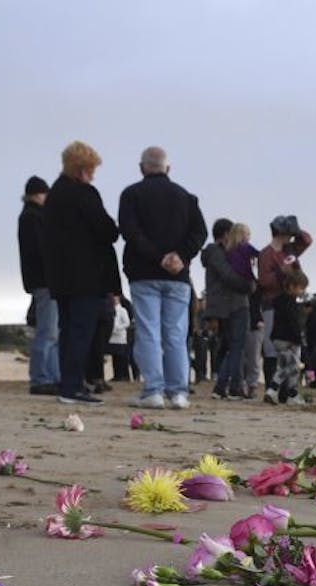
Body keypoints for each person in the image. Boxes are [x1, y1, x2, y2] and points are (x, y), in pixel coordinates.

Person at [117, 146, 206, 410]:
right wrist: (180, 256)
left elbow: (130, 232)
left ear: (142, 167)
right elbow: (199, 232)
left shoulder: (131, 195)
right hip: (178, 277)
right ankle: (178, 392)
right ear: (168, 168)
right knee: (176, 335)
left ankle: (153, 390)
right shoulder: (186, 198)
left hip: (144, 273)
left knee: (149, 331)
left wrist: (158, 257)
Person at [44, 140, 120, 406]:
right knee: (81, 333)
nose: (94, 174)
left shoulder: (54, 195)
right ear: (83, 169)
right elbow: (107, 231)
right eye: (92, 169)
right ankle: (73, 387)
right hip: (86, 277)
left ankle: (68, 383)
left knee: (68, 331)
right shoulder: (85, 194)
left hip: (61, 277)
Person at [256, 215, 311, 400]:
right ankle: (273, 391)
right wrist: (280, 273)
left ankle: (287, 392)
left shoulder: (290, 251)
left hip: (289, 302)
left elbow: (306, 240)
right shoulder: (266, 254)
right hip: (273, 303)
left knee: (291, 355)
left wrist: (296, 229)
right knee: (273, 351)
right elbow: (264, 281)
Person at [200, 217, 253, 400]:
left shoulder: (217, 253)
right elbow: (228, 276)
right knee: (236, 347)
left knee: (231, 347)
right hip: (233, 304)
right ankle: (231, 387)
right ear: (225, 235)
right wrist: (250, 284)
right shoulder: (218, 253)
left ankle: (224, 386)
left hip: (226, 306)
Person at [18, 175, 57, 395]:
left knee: (52, 332)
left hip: (42, 280)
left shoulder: (32, 216)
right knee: (48, 331)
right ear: (36, 194)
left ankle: (50, 375)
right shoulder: (33, 217)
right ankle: (41, 377)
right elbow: (42, 250)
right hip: (45, 280)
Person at [269, 269, 308, 405]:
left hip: (277, 338)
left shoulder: (278, 301)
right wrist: (298, 339)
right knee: (294, 366)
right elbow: (293, 322)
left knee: (285, 365)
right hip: (289, 340)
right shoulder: (291, 303)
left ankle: (291, 393)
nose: (302, 291)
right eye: (301, 288)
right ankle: (274, 388)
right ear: (292, 286)